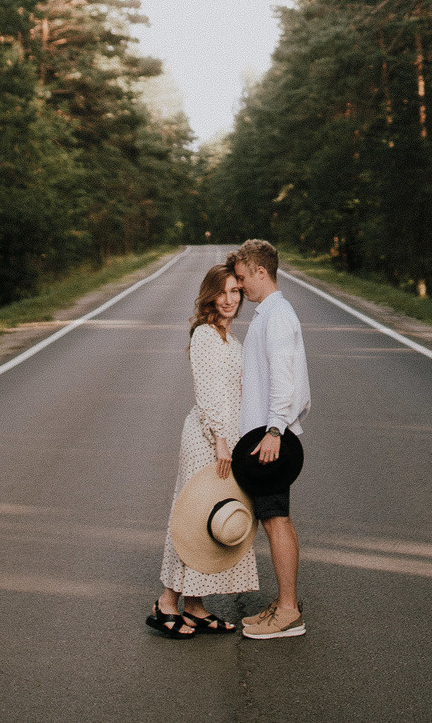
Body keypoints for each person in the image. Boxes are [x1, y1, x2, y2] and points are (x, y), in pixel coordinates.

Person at [149, 259, 255, 636]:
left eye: (235, 291)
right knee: (193, 519)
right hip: (208, 439)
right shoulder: (207, 336)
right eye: (222, 292)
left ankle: (194, 606)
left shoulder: (230, 337)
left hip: (228, 439)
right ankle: (166, 603)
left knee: (211, 521)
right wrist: (222, 442)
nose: (229, 300)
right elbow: (209, 395)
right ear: (209, 295)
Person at [229, 238, 310, 640]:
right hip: (264, 436)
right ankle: (283, 604)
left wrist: (276, 428)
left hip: (270, 438)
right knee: (275, 518)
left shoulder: (277, 315)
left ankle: (289, 611)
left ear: (261, 272)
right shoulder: (268, 314)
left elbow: (285, 377)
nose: (240, 285)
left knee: (276, 520)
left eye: (243, 278)